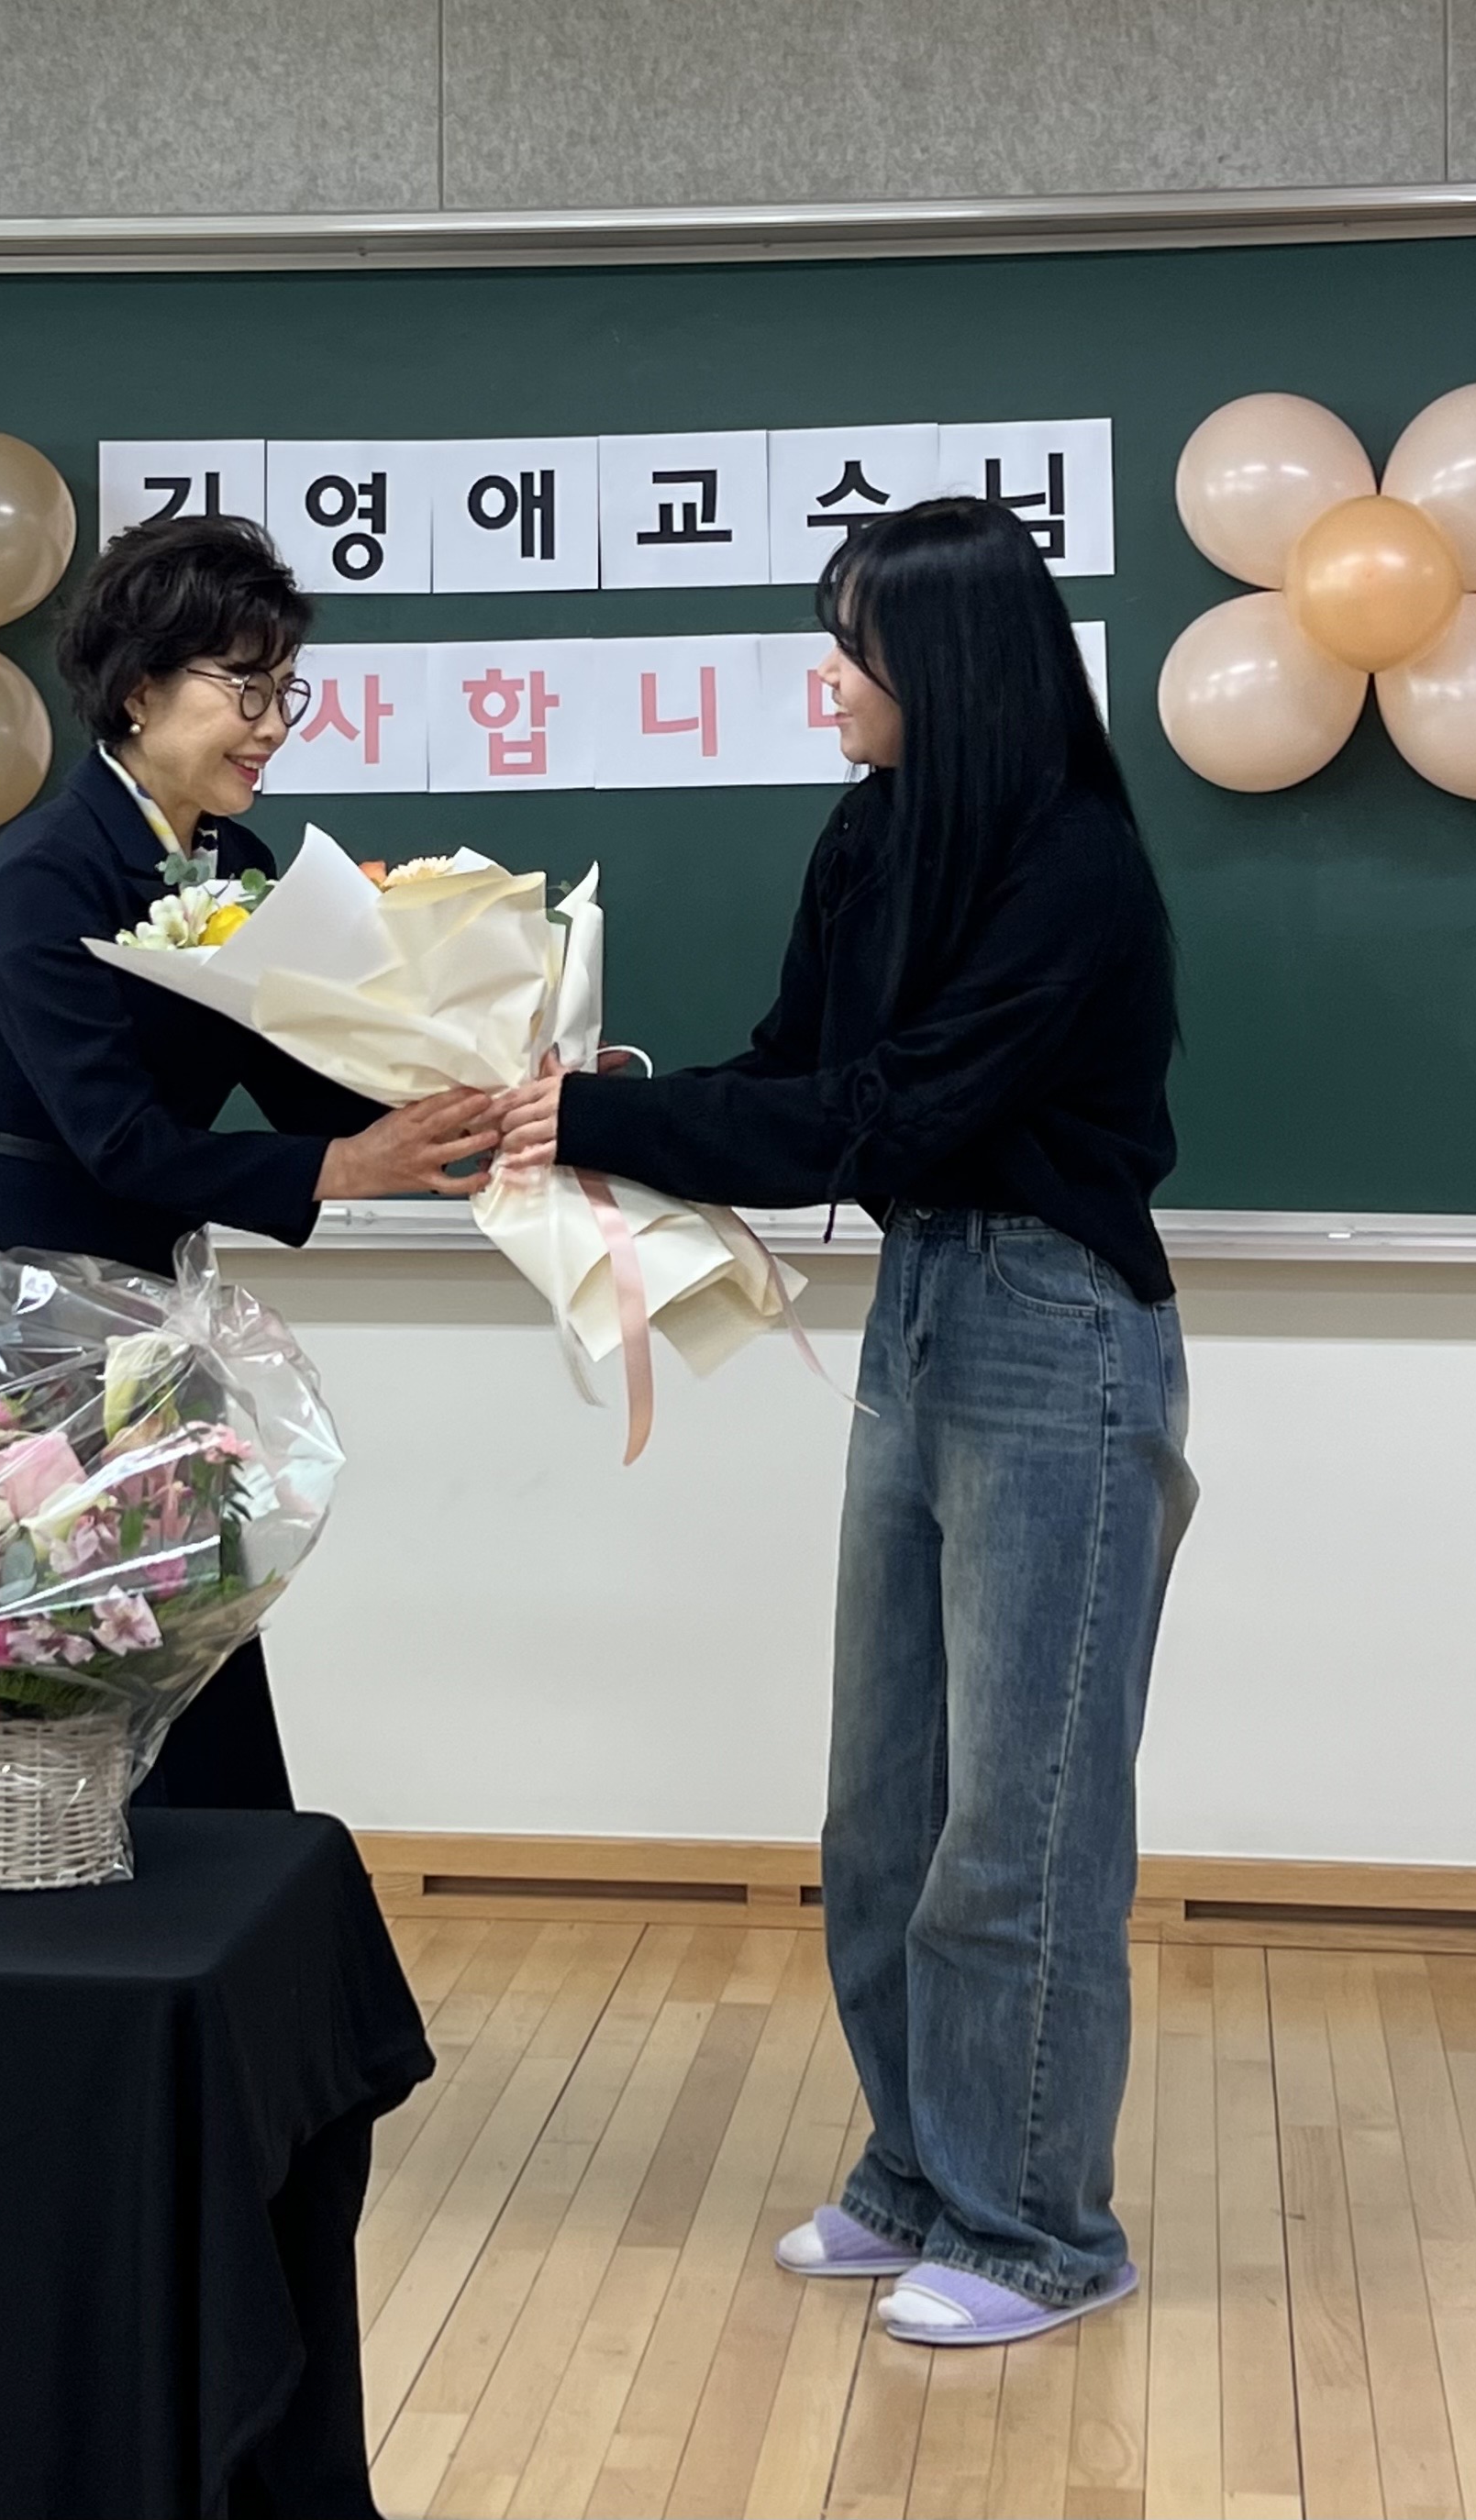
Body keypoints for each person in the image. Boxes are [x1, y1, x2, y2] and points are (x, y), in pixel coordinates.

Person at [498, 494, 1193, 2348]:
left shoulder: (1068, 868)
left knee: (1018, 1823)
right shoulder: (874, 828)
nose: (825, 678)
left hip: (1055, 1327)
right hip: (922, 1311)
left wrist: (596, 1122)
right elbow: (793, 1070)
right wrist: (606, 1096)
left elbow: (879, 1116)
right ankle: (918, 2171)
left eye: (851, 645)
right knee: (883, 1809)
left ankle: (1039, 2229)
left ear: (940, 663)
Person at [0, 513, 496, 1812]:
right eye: (245, 687)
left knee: (186, 1627)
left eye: (284, 690)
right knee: (71, 1638)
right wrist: (346, 1167)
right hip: (29, 1316)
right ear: (139, 687)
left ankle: (229, 1909)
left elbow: (302, 1081)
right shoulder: (46, 875)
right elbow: (119, 1140)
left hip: (147, 1303)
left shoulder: (231, 862)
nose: (273, 724)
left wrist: (486, 1099)